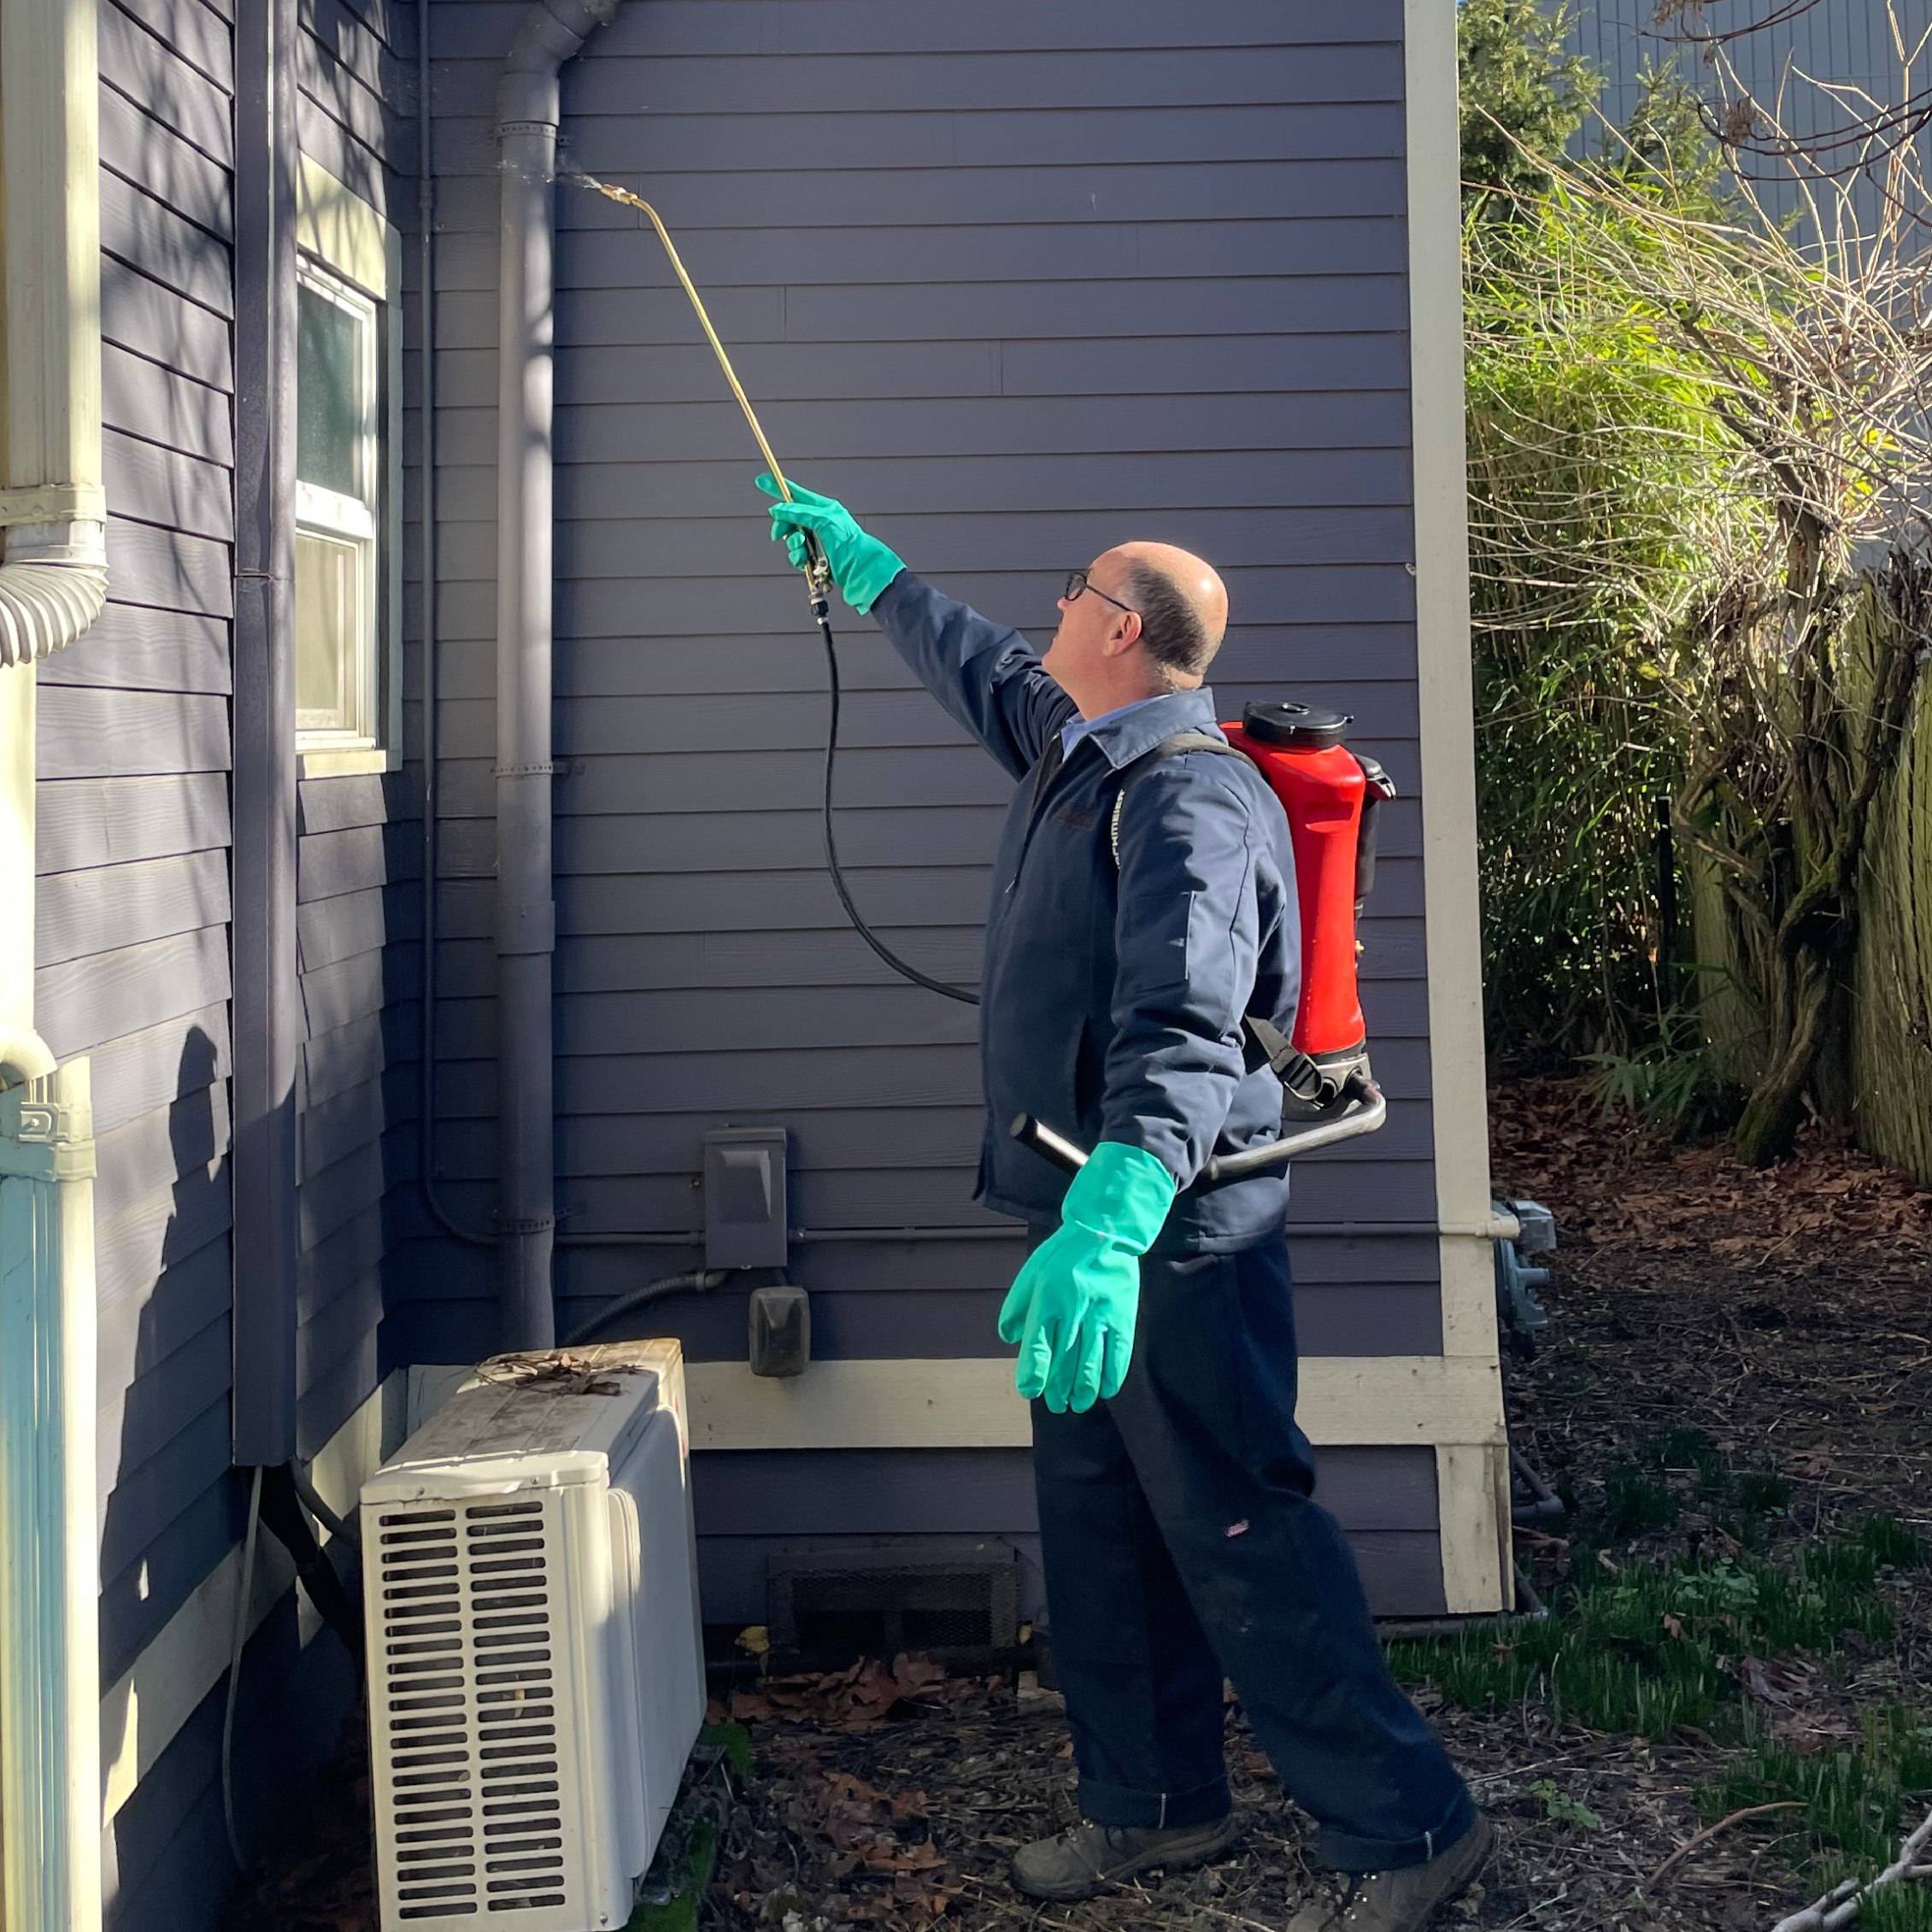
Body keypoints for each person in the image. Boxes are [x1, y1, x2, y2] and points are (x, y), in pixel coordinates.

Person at [760, 477, 1492, 1932]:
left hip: (1172, 1237)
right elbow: (987, 667)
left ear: (1116, 627)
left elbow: (1182, 1023)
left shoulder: (1191, 797)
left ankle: (1410, 1829)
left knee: (1239, 1530)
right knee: (1096, 1524)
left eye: (1067, 598)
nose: (1046, 618)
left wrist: (1112, 1219)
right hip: (1079, 1224)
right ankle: (1153, 1806)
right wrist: (871, 569)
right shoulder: (1081, 754)